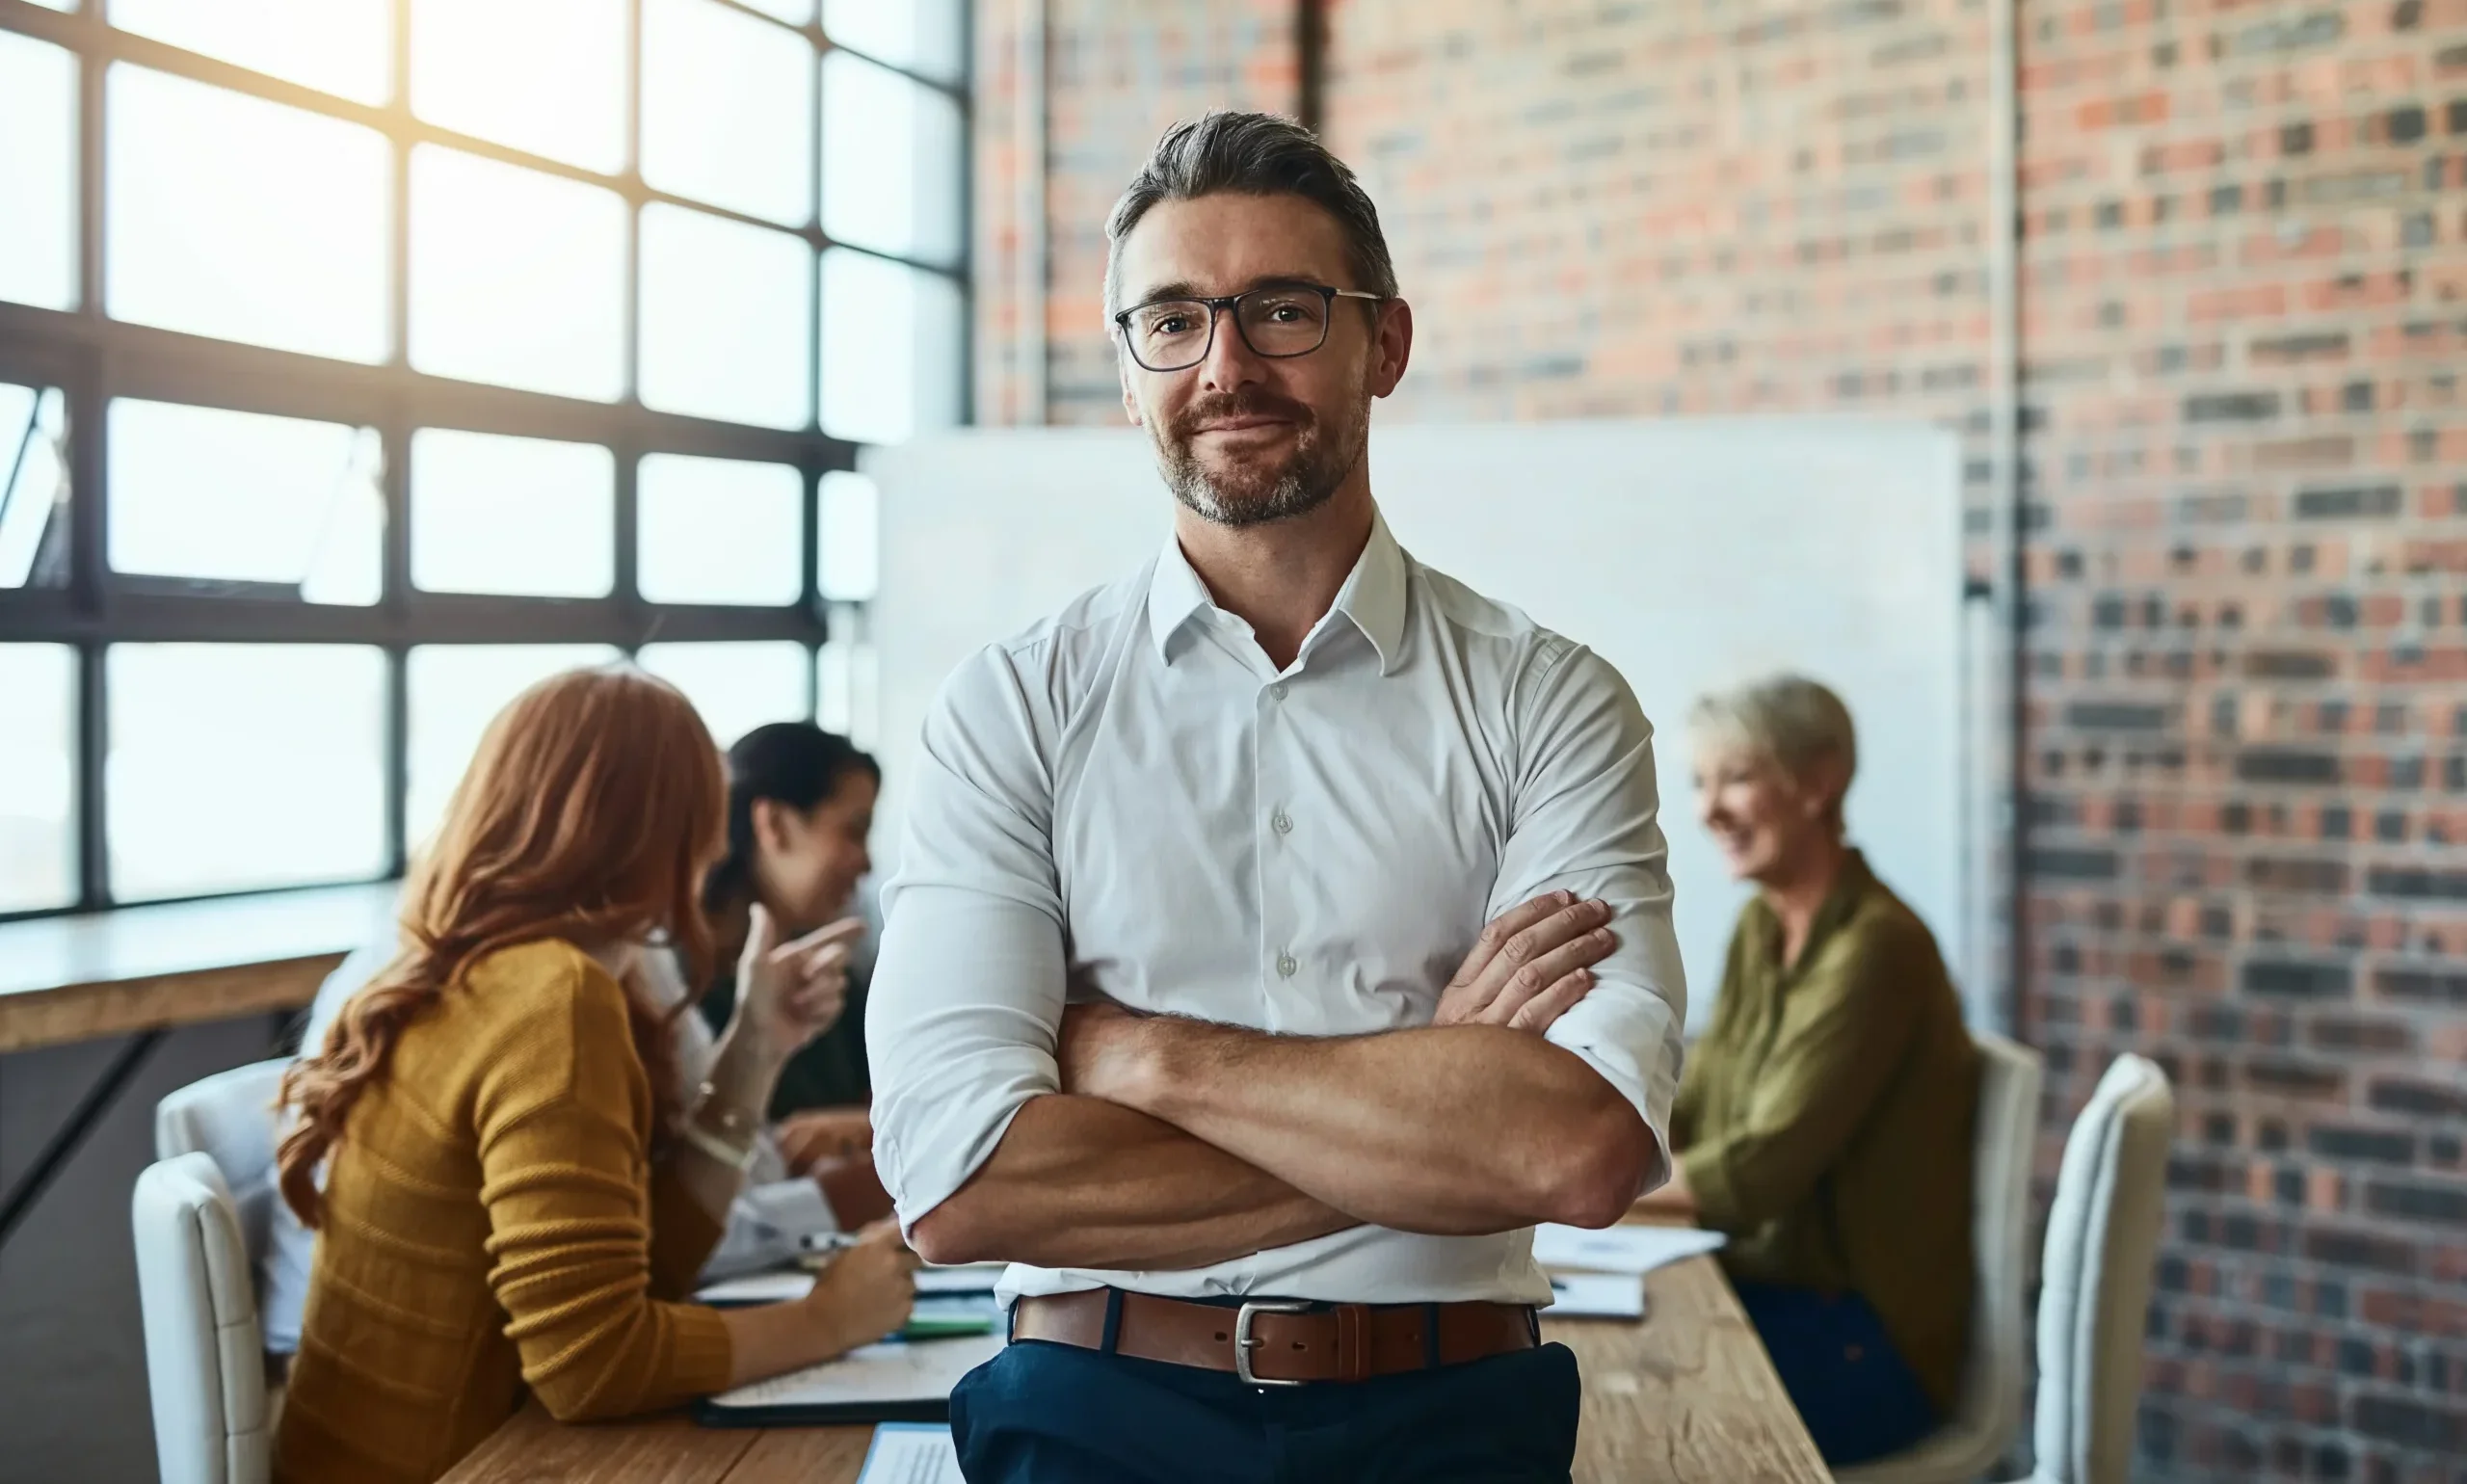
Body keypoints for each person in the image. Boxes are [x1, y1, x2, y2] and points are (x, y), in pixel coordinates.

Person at [864, 111, 1687, 1484]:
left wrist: (1142, 1055)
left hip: (1453, 1421)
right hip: (1090, 1411)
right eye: (1174, 320)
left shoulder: (1553, 701)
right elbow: (959, 1188)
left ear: (1388, 343)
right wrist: (1431, 1082)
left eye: (1284, 311)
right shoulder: (1012, 709)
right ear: (1130, 372)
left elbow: (1578, 1149)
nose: (1226, 366)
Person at [270, 669, 916, 1484]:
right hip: (463, 1464)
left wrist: (755, 1045)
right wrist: (827, 1320)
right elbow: (589, 1365)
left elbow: (646, 1273)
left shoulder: (487, 964)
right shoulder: (555, 998)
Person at [1639, 675, 1978, 1467]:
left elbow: (1758, 1172)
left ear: (1819, 782)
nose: (1708, 810)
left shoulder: (1877, 949)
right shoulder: (1763, 926)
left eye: (1738, 777)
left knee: (1619, 1413)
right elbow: (1693, 1105)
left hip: (1864, 1345)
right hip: (1775, 1297)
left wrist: (1592, 1183)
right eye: (1701, 782)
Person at [694, 723, 885, 1194]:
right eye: (853, 831)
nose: (867, 862)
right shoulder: (676, 985)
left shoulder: (832, 974)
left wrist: (862, 1127)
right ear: (773, 825)